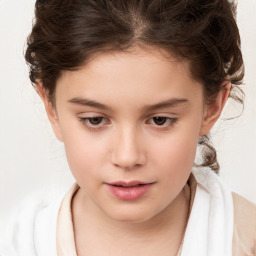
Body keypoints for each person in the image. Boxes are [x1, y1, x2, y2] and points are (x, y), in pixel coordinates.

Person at [1, 0, 256, 255]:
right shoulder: (19, 244)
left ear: (211, 107)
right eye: (94, 120)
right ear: (51, 107)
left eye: (160, 120)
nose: (127, 157)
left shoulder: (247, 239)